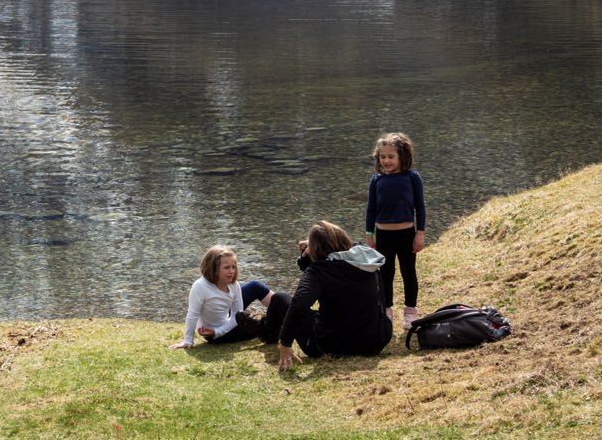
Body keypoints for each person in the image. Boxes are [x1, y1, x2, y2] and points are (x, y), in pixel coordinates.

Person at [273, 221, 392, 372]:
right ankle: (263, 328)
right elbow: (349, 249)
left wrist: (285, 343)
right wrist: (317, 247)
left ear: (316, 250)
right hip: (376, 341)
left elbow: (299, 304)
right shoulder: (367, 258)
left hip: (334, 345)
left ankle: (266, 331)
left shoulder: (319, 270)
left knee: (279, 299)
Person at [366, 132, 426, 324]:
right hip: (383, 236)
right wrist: (369, 235)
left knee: (408, 272)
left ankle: (410, 310)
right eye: (382, 157)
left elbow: (420, 207)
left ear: (403, 156)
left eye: (391, 157)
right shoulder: (376, 180)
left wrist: (420, 234)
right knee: (385, 274)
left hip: (407, 235)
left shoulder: (412, 177)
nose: (386, 161)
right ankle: (386, 310)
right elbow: (371, 210)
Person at [169, 245, 278, 349]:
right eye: (226, 268)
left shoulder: (233, 285)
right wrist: (188, 340)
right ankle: (278, 326)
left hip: (230, 320)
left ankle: (288, 312)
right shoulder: (200, 287)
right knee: (262, 328)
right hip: (216, 334)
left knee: (255, 286)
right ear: (214, 269)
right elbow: (192, 314)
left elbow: (237, 315)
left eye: (233, 267)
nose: (231, 271)